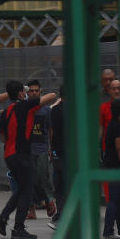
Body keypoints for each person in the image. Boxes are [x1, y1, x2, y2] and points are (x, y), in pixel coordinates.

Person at [0, 80, 57, 239]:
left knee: (22, 189)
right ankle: (17, 228)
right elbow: (52, 95)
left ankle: (3, 218)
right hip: (22, 154)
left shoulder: (6, 111)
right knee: (26, 192)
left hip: (10, 155)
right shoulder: (26, 106)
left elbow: (2, 137)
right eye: (25, 90)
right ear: (22, 93)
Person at [26, 80, 56, 217]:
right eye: (31, 91)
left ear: (40, 92)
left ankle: (49, 201)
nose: (34, 93)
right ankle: (31, 209)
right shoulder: (25, 108)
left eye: (36, 91)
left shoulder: (46, 110)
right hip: (28, 149)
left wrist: (51, 147)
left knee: (43, 177)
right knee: (30, 179)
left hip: (42, 148)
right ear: (27, 92)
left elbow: (50, 129)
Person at [102, 98, 120, 239]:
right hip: (115, 167)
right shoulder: (117, 126)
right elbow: (119, 147)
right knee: (114, 199)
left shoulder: (114, 124)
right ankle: (108, 230)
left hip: (112, 165)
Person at [48, 85, 66, 230]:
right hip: (71, 153)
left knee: (59, 185)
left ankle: (60, 215)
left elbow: (52, 132)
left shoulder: (55, 110)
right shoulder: (76, 110)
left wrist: (51, 149)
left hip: (58, 153)